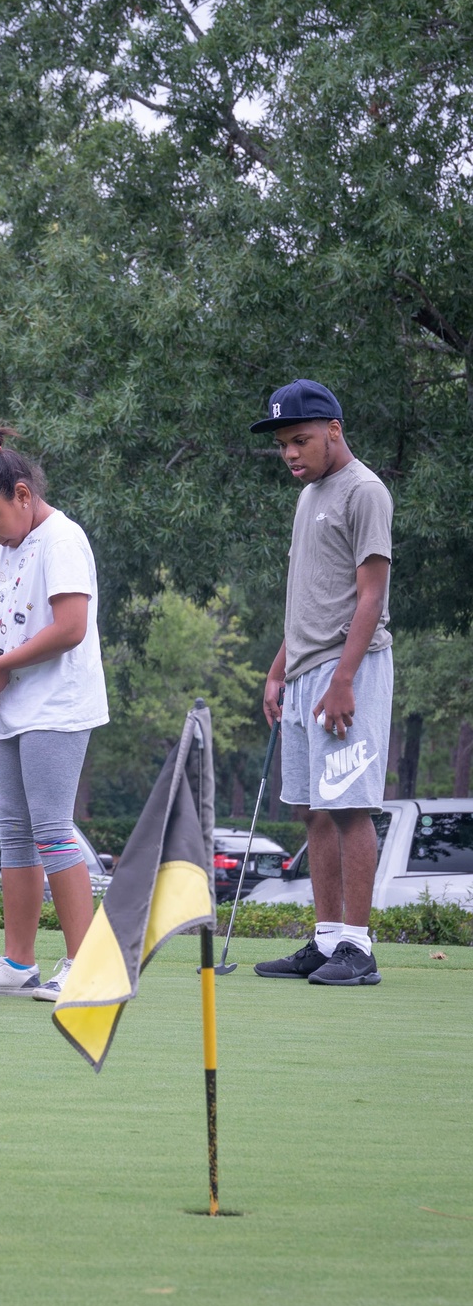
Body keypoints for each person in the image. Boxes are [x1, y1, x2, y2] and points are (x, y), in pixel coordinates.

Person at [0, 425, 109, 1000]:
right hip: (11, 705)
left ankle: (87, 968)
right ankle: (17, 962)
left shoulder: (62, 540)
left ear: (20, 494)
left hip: (58, 704)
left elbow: (70, 628)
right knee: (13, 833)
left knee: (52, 832)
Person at [249, 379, 393, 986]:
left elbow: (370, 594)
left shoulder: (364, 491)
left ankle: (357, 949)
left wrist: (344, 677)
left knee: (350, 807)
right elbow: (314, 597)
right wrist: (280, 668)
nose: (291, 454)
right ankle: (327, 938)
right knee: (312, 809)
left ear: (334, 429)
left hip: (348, 673)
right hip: (307, 672)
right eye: (283, 444)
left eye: (300, 440)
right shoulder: (309, 496)